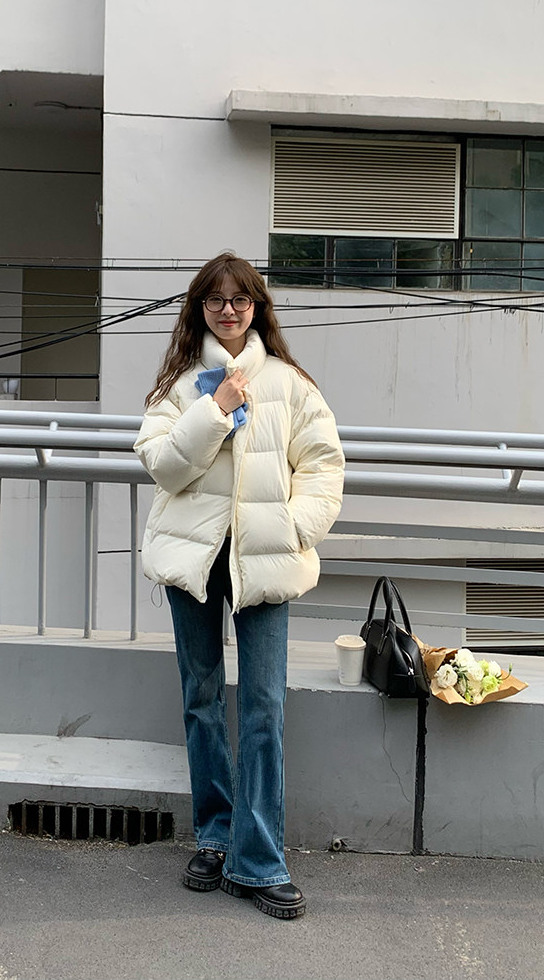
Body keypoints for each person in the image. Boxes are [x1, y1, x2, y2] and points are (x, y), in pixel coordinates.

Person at [133, 252, 344, 920]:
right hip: (193, 560)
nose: (228, 310)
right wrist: (216, 408)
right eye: (216, 300)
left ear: (257, 307)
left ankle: (259, 859)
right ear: (199, 308)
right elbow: (163, 466)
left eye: (240, 299)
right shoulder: (179, 386)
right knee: (201, 700)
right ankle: (216, 836)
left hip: (264, 559)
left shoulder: (289, 384)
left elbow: (324, 466)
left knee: (262, 706)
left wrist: (293, 527)